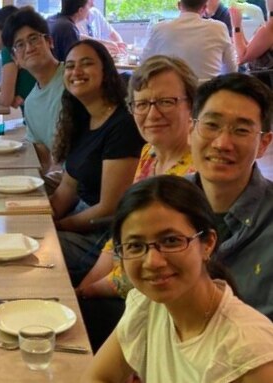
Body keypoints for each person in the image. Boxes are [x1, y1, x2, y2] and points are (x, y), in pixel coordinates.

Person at [82, 176, 273, 382]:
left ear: (207, 243)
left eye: (171, 241)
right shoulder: (146, 305)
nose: (153, 262)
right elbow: (99, 377)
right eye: (135, 246)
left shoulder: (249, 352)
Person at [74, 55, 199, 351]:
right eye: (142, 104)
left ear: (191, 105)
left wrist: (89, 291)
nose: (152, 114)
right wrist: (86, 285)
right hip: (127, 281)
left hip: (158, 301)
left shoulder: (196, 173)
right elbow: (121, 237)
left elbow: (155, 262)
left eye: (166, 102)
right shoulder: (150, 154)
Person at [50, 40, 145, 287]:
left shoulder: (123, 125)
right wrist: (45, 217)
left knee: (36, 249)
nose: (76, 72)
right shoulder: (83, 119)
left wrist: (57, 227)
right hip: (79, 219)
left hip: (102, 235)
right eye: (70, 66)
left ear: (106, 71)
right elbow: (66, 189)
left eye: (86, 64)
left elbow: (109, 208)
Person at [188, 72, 273, 319]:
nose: (222, 143)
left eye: (241, 130)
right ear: (190, 131)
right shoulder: (164, 203)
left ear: (264, 144)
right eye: (212, 125)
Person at [1, 6, 65, 173]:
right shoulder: (30, 103)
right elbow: (41, 159)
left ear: (49, 41)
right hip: (64, 181)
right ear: (15, 58)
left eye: (34, 39)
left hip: (88, 185)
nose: (29, 48)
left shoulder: (73, 80)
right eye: (20, 45)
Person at [141, 0, 236, 81]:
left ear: (179, 5)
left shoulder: (159, 28)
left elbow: (144, 63)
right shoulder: (219, 28)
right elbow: (231, 69)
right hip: (207, 97)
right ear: (204, 7)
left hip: (171, 95)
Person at [0, 5, 36, 110]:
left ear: (4, 30)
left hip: (34, 123)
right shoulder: (16, 50)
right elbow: (3, 88)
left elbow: (5, 100)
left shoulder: (8, 50)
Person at [231, 1, 273, 69]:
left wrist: (236, 26)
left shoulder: (270, 29)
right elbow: (250, 50)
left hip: (260, 78)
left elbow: (242, 58)